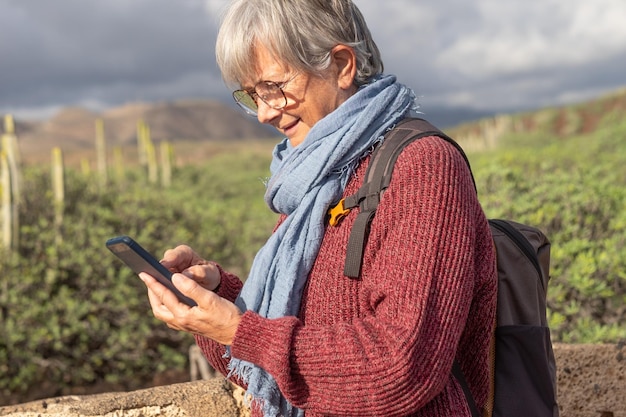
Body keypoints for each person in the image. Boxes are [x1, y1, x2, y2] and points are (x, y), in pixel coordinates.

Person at [139, 0, 497, 416]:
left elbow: (402, 370)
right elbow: (266, 372)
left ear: (342, 64)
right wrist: (215, 298)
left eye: (274, 87)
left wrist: (240, 331)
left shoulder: (423, 167)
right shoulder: (312, 179)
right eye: (252, 94)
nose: (264, 113)